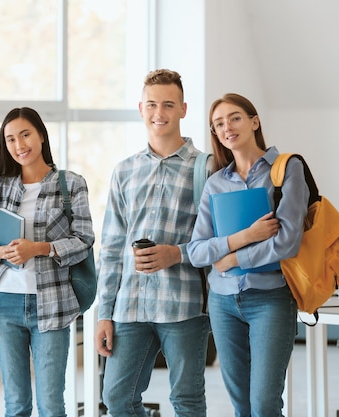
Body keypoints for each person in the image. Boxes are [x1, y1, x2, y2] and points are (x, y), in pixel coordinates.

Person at [95, 69, 210, 417]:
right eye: (152, 104)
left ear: (183, 109)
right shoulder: (124, 170)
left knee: (187, 400)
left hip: (185, 305)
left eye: (168, 104)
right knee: (117, 398)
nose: (159, 112)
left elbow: (218, 241)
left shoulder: (207, 167)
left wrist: (176, 254)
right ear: (141, 108)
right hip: (130, 306)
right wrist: (104, 312)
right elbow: (112, 246)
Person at [0, 107, 95, 416]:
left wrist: (38, 248)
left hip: (51, 304)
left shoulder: (71, 184)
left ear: (40, 135)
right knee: (16, 404)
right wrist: (2, 252)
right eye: (10, 139)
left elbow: (84, 240)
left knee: (51, 404)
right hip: (4, 304)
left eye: (25, 134)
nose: (19, 145)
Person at [187, 93, 308, 416]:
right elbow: (197, 250)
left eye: (235, 117)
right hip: (223, 302)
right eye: (219, 124)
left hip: (270, 299)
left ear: (254, 121)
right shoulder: (215, 184)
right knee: (241, 405)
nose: (228, 127)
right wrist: (245, 238)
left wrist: (233, 259)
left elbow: (287, 242)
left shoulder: (287, 170)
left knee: (265, 404)